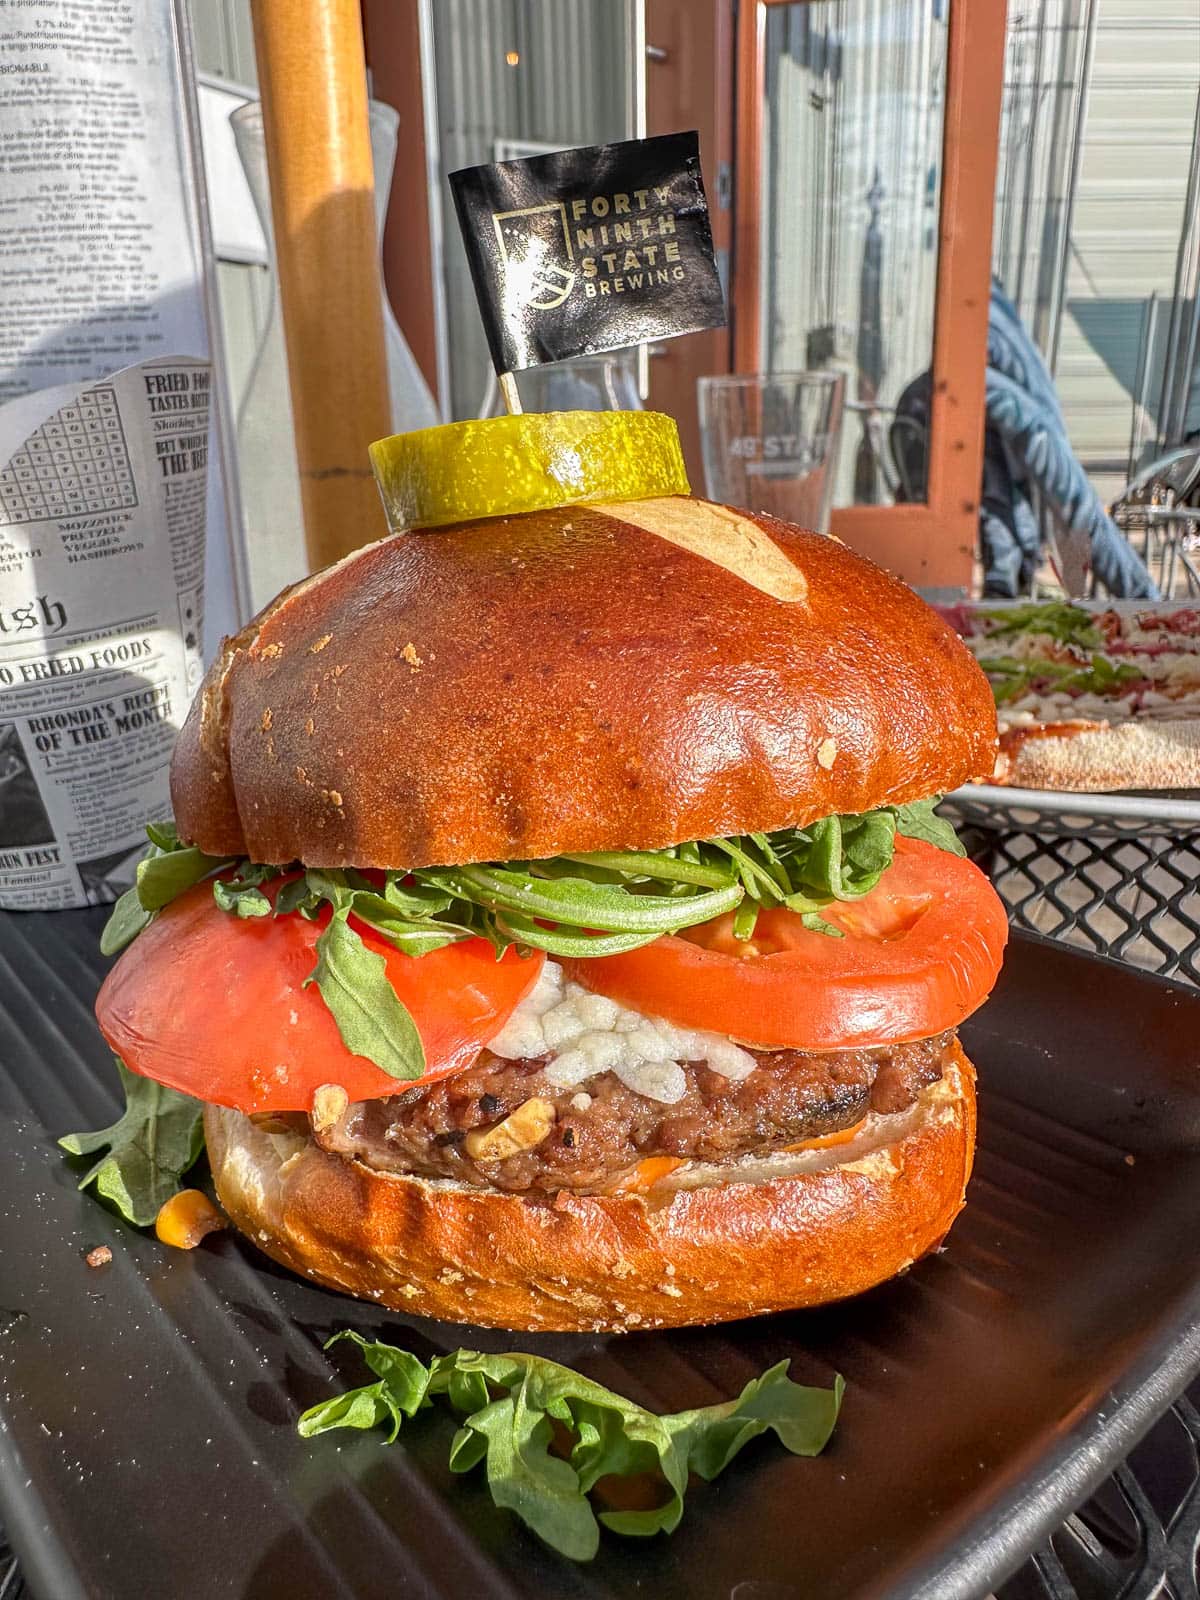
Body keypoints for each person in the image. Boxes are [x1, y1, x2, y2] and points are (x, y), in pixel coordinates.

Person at [892, 281, 1158, 599]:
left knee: (1058, 501)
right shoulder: (992, 392)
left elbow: (1065, 504)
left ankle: (1012, 580)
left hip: (973, 405)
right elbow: (1053, 500)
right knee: (1054, 500)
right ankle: (1012, 581)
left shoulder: (1006, 400)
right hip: (960, 405)